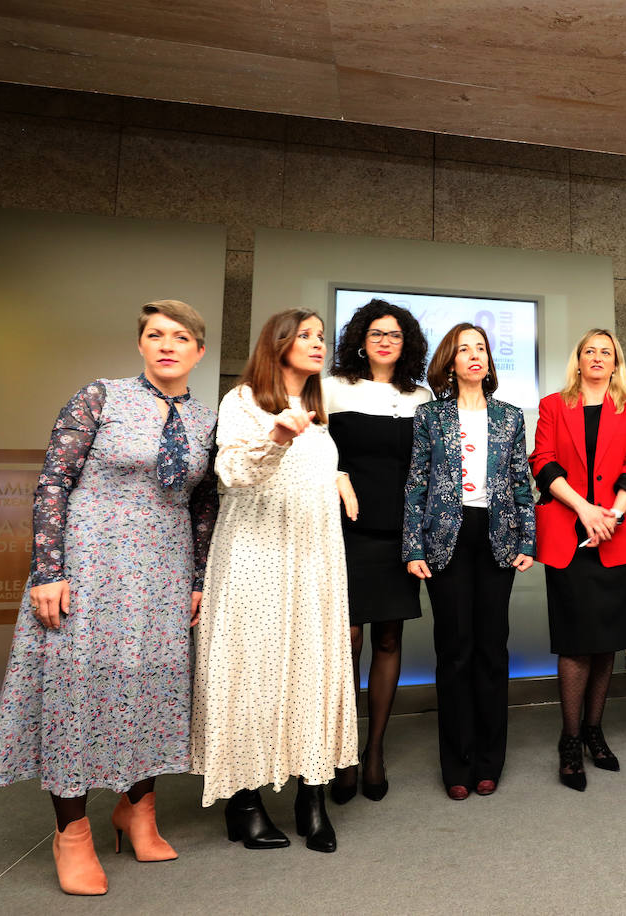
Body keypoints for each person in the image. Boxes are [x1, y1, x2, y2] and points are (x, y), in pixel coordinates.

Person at [0, 301, 218, 896]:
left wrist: (197, 579)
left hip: (163, 570)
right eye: (155, 335)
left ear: (199, 352)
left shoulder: (208, 421)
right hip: (91, 563)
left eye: (180, 337)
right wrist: (48, 570)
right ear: (140, 345)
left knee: (152, 685)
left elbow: (204, 505)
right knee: (78, 689)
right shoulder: (101, 397)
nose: (167, 345)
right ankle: (73, 833)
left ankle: (137, 810)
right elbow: (54, 479)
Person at [191, 308, 358, 853]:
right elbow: (234, 474)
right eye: (305, 335)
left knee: (313, 668)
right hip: (256, 556)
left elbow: (313, 465)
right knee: (251, 670)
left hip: (314, 556)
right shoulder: (242, 402)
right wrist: (278, 438)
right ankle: (244, 802)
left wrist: (339, 475)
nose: (317, 344)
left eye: (320, 337)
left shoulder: (316, 406)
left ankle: (313, 799)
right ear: (278, 343)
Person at [402, 323, 536, 800]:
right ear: (451, 362)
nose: (474, 355)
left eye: (481, 348)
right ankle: (456, 764)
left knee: (491, 650)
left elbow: (522, 482)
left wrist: (528, 539)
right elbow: (416, 483)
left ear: (488, 361)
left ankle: (488, 760)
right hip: (446, 539)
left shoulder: (510, 417)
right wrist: (413, 547)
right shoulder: (429, 416)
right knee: (454, 650)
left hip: (496, 537)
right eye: (464, 349)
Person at [323, 299, 432, 804]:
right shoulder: (331, 388)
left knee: (389, 639)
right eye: (376, 333)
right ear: (360, 340)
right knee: (347, 640)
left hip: (400, 532)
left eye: (395, 334)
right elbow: (315, 454)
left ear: (405, 343)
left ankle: (374, 751)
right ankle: (341, 752)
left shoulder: (422, 396)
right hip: (344, 528)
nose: (385, 340)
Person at [530, 328, 626, 791]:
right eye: (589, 351)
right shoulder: (553, 405)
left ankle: (596, 731)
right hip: (568, 536)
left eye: (606, 352)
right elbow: (543, 462)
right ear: (577, 360)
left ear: (616, 363)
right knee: (576, 643)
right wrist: (584, 510)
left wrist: (611, 518)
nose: (598, 357)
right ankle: (570, 739)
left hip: (614, 538)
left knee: (606, 643)